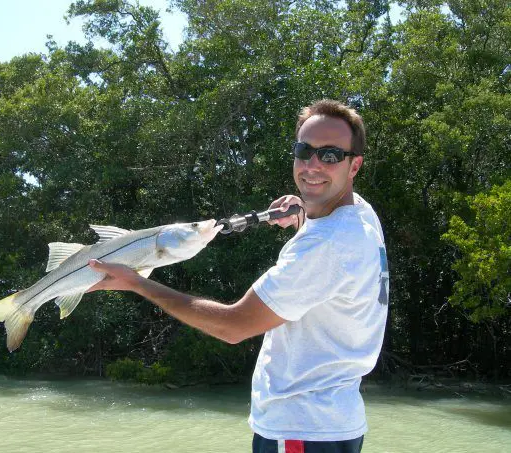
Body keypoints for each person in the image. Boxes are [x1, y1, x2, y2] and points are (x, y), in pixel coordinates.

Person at [87, 99, 389, 453]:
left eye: (331, 155)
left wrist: (136, 282)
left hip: (300, 430)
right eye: (303, 151)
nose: (312, 165)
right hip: (335, 424)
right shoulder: (362, 218)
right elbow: (332, 222)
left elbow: (233, 326)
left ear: (354, 165)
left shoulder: (328, 246)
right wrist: (302, 213)